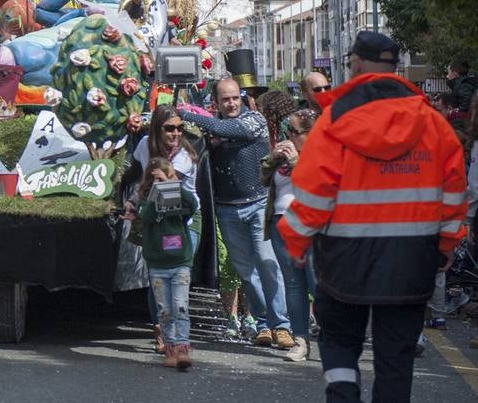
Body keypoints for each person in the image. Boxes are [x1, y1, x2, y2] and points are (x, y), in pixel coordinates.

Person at [279, 31, 468, 403]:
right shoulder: (433, 124)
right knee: (396, 358)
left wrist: (296, 241)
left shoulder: (334, 122)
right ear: (395, 68)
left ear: (355, 65)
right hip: (412, 261)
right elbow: (453, 194)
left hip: (344, 261)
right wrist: (446, 245)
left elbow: (313, 194)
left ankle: (344, 394)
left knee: (339, 344)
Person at [181, 77, 294, 350]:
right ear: (216, 102)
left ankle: (283, 326)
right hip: (227, 209)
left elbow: (226, 127)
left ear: (241, 97)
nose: (231, 103)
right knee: (246, 272)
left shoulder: (253, 120)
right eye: (225, 99)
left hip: (258, 205)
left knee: (268, 264)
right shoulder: (212, 130)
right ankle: (264, 324)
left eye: (235, 98)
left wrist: (184, 112)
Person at [125, 104, 201, 354]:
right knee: (157, 275)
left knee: (176, 284)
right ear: (157, 129)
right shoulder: (145, 144)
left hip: (182, 221)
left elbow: (168, 194)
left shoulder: (183, 158)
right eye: (170, 129)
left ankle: (180, 339)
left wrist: (142, 205)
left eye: (180, 128)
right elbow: (139, 179)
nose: (176, 134)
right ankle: (161, 331)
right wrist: (131, 202)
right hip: (155, 219)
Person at [261, 105, 319, 362]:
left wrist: (296, 160)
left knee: (318, 284)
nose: (289, 135)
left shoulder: (320, 154)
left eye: (294, 131)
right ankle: (300, 341)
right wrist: (274, 158)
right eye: (287, 130)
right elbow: (262, 178)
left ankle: (335, 338)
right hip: (280, 223)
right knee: (294, 286)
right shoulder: (285, 153)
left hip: (310, 225)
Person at [135, 156, 198, 370]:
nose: (159, 185)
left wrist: (174, 186)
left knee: (181, 306)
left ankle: (183, 349)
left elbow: (193, 204)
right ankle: (169, 348)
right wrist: (154, 195)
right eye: (155, 181)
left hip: (180, 261)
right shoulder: (145, 201)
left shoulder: (179, 197)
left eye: (163, 180)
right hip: (158, 265)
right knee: (164, 309)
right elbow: (146, 217)